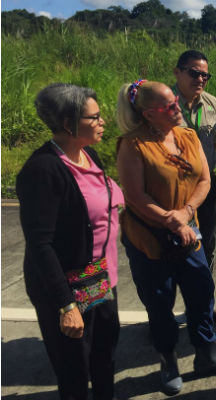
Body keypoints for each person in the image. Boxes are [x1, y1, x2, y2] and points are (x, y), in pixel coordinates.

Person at [116, 79, 216, 396]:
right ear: (148, 114)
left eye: (176, 101)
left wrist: (185, 213)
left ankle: (207, 355)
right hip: (150, 237)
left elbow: (204, 179)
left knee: (201, 291)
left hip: (188, 230)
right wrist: (171, 220)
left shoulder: (187, 136)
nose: (178, 107)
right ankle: (168, 361)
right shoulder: (133, 145)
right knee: (160, 301)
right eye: (169, 105)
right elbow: (135, 196)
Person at [16, 83, 124, 400]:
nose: (103, 121)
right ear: (68, 124)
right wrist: (66, 305)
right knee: (74, 370)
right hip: (66, 287)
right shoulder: (42, 171)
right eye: (95, 117)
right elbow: (40, 245)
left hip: (97, 277)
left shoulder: (87, 155)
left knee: (104, 358)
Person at [173, 49, 216, 324]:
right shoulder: (164, 103)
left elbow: (215, 142)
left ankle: (204, 304)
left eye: (205, 74)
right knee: (173, 246)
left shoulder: (212, 103)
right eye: (194, 73)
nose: (200, 79)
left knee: (207, 244)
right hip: (173, 189)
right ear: (177, 72)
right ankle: (164, 312)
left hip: (206, 185)